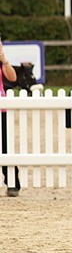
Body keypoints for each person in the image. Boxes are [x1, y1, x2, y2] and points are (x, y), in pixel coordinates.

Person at [0, 37, 19, 196]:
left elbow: (12, 78)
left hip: (2, 110)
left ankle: (12, 182)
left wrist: (4, 60)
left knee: (6, 147)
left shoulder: (1, 62)